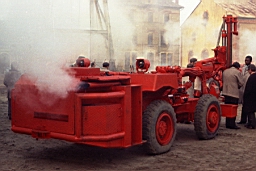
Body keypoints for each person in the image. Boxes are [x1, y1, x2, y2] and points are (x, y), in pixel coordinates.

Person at [222, 62, 243, 129]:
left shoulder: (225, 71)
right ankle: (232, 124)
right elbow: (241, 83)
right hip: (234, 93)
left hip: (225, 92)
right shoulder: (237, 72)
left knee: (227, 108)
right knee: (233, 109)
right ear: (237, 67)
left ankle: (227, 124)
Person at [242, 64, 256, 129]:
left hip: (250, 97)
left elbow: (248, 88)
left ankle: (252, 124)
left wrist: (245, 95)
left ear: (250, 70)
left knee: (250, 111)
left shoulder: (251, 77)